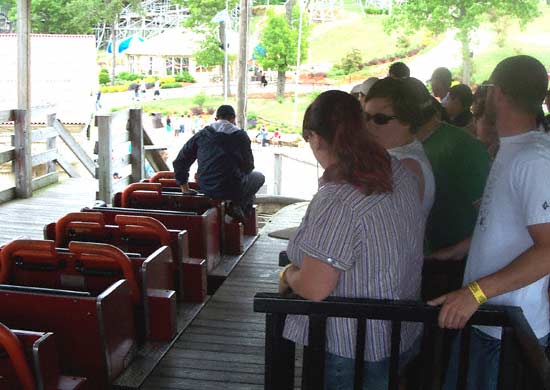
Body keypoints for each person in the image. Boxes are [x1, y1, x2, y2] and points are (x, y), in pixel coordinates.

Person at [279, 90, 424, 389]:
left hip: (354, 347)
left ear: (315, 137)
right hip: (401, 332)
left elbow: (315, 287)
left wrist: (289, 275)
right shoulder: (399, 171)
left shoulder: (339, 198)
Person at [428, 55, 550, 390]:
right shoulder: (513, 149)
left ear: (498, 93)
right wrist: (456, 252)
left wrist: (475, 293)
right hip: (487, 322)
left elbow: (548, 250)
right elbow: (512, 230)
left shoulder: (533, 159)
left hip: (506, 332)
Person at [408, 78, 491, 257]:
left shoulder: (462, 147)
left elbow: (489, 218)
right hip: (415, 256)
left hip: (452, 261)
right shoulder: (399, 148)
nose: (369, 125)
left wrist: (453, 252)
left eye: (380, 119)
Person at [173, 105, 265, 223]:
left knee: (245, 185)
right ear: (233, 119)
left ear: (216, 118)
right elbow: (249, 166)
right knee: (259, 177)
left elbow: (181, 160)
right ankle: (236, 207)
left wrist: (184, 188)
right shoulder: (241, 136)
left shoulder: (202, 135)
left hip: (206, 186)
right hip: (232, 187)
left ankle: (236, 207)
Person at [364, 77, 435, 218]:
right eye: (366, 117)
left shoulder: (405, 165)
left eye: (380, 119)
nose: (369, 125)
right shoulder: (398, 154)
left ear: (407, 119)